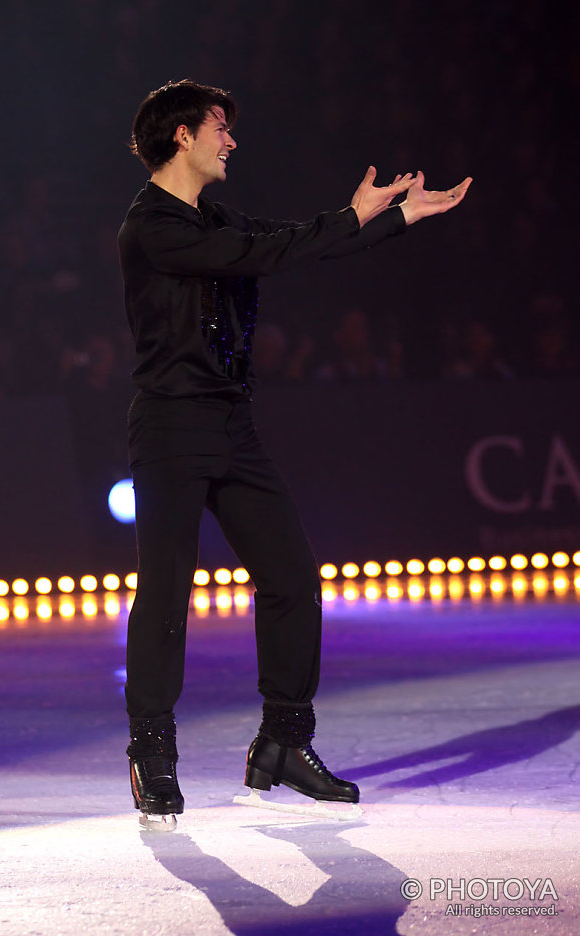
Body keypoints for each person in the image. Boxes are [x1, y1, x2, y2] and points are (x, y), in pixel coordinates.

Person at [117, 79, 471, 824]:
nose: (230, 140)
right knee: (166, 591)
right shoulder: (151, 227)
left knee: (291, 578)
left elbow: (289, 245)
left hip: (231, 426)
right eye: (219, 126)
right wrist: (353, 216)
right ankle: (151, 750)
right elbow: (263, 253)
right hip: (172, 426)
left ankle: (282, 741)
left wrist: (388, 217)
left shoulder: (215, 216)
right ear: (181, 135)